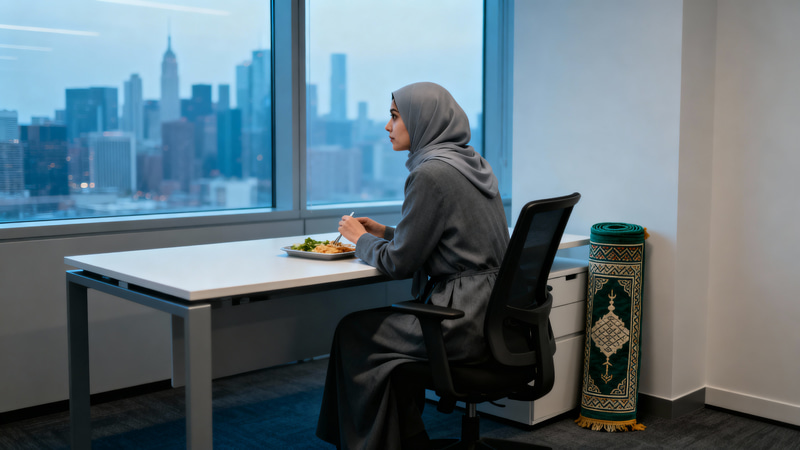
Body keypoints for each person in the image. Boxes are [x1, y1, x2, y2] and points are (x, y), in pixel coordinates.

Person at [315, 82, 509, 450]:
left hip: (459, 320)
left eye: (394, 116)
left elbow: (399, 263)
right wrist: (386, 231)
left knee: (354, 331)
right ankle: (406, 438)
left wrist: (359, 239)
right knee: (376, 332)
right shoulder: (471, 163)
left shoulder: (429, 173)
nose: (387, 127)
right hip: (496, 316)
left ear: (422, 120)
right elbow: (447, 237)